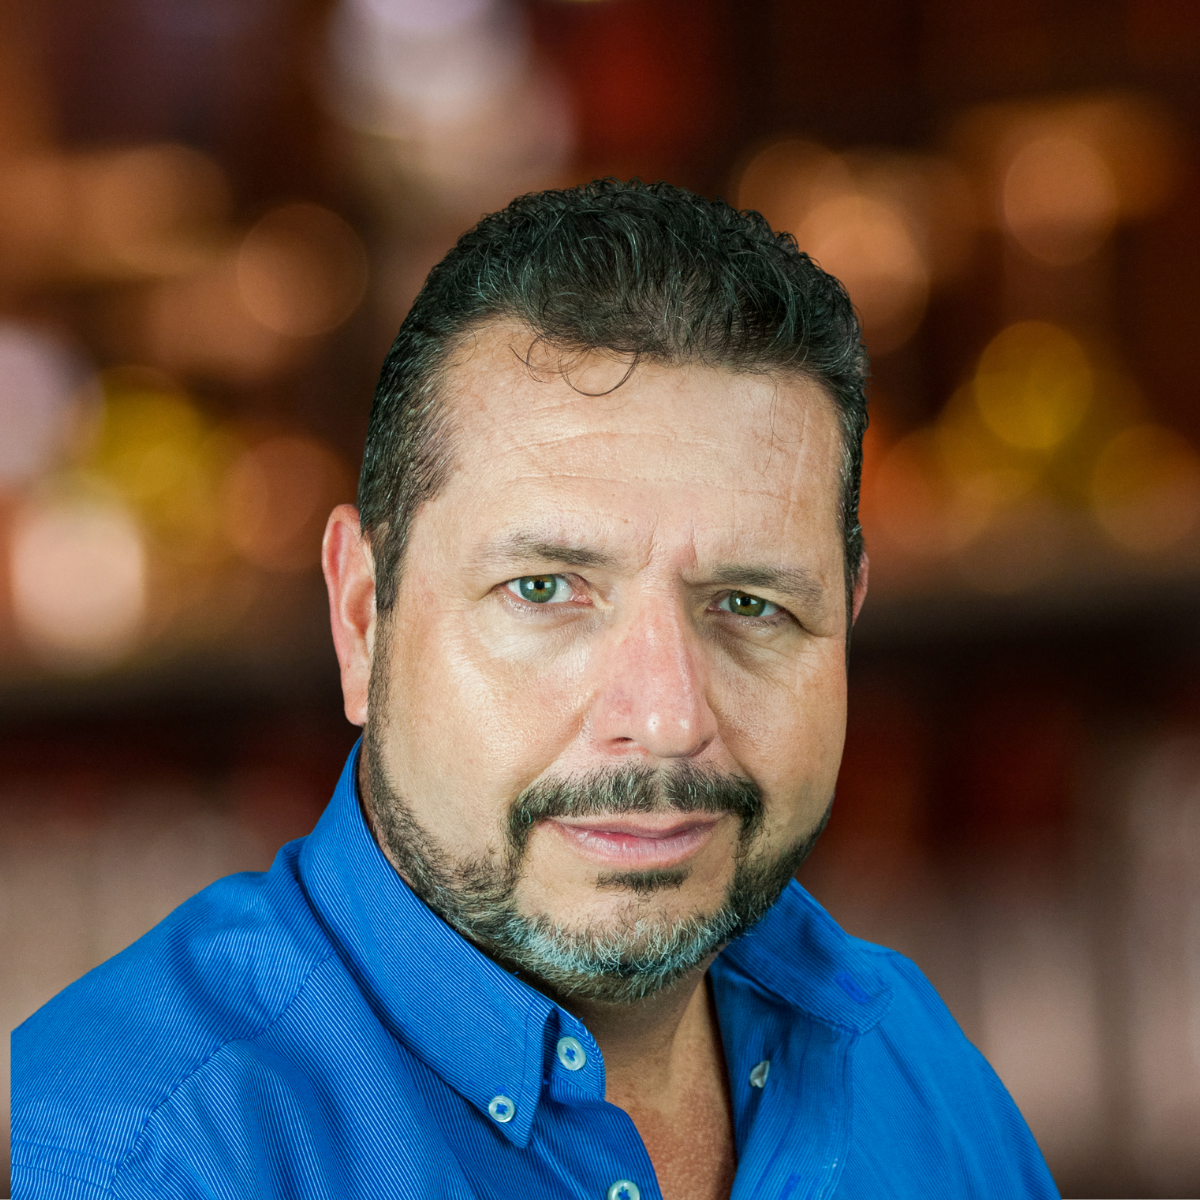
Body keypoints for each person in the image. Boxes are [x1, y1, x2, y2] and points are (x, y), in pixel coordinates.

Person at [12, 180, 1059, 1200]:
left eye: (749, 605)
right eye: (545, 589)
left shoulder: (906, 1060)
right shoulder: (131, 1161)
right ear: (362, 619)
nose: (666, 720)